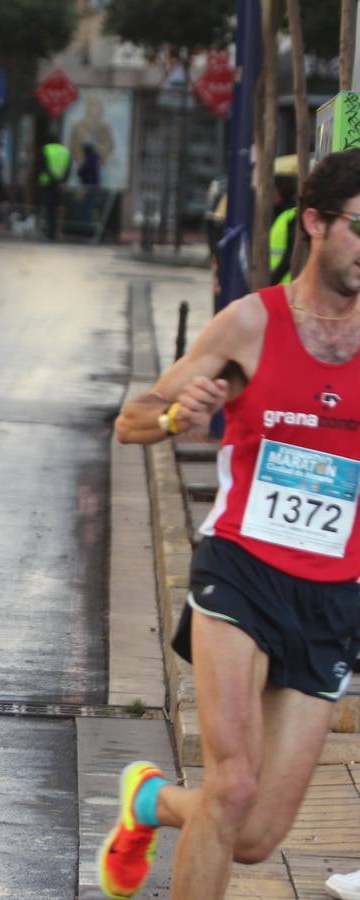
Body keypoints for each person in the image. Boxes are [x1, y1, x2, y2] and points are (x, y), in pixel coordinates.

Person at [101, 149, 360, 899]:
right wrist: (185, 414)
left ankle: (149, 801)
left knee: (254, 836)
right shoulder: (250, 323)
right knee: (233, 783)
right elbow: (132, 421)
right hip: (240, 570)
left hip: (334, 595)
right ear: (314, 223)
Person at [37, 132, 72, 241]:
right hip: (60, 185)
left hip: (48, 184)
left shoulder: (45, 149)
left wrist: (53, 179)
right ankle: (55, 234)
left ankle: (49, 234)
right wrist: (62, 181)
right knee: (57, 210)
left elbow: (43, 167)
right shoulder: (65, 151)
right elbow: (68, 168)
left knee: (48, 210)